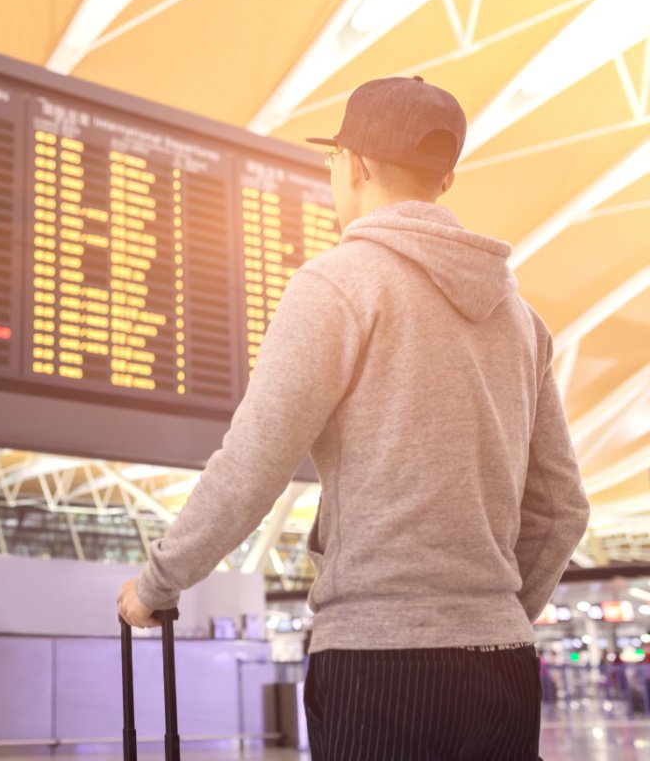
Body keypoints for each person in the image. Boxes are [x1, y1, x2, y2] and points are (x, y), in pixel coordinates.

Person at [119, 76, 590, 760]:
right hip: (502, 668)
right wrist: (493, 614)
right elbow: (562, 508)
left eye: (334, 159)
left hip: (379, 664)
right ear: (445, 178)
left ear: (355, 163)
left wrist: (156, 583)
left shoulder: (337, 285)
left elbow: (254, 465)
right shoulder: (522, 320)